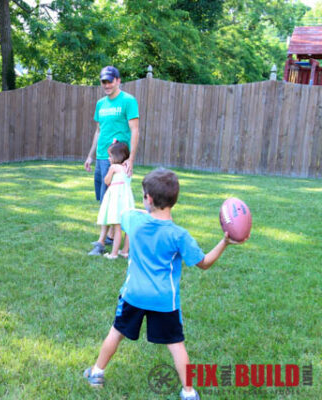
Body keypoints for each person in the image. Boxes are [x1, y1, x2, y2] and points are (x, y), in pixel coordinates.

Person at [83, 168, 248, 400]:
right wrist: (225, 242)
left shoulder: (134, 221)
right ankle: (189, 392)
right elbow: (204, 263)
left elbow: (129, 212)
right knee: (176, 345)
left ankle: (96, 372)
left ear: (148, 199)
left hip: (133, 295)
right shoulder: (179, 236)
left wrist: (147, 207)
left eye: (144, 195)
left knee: (116, 333)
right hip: (164, 300)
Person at [85, 66, 139, 256]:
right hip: (101, 156)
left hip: (116, 158)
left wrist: (131, 159)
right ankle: (109, 236)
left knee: (110, 199)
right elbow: (98, 131)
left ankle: (101, 243)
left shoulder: (128, 101)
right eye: (103, 81)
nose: (106, 85)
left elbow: (134, 130)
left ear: (118, 80)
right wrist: (90, 154)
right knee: (102, 197)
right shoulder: (101, 104)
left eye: (110, 81)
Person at [94, 141, 134, 259]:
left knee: (117, 227)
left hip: (116, 200)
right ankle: (125, 251)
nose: (108, 158)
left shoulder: (114, 167)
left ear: (118, 156)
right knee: (127, 227)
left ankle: (114, 253)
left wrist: (110, 172)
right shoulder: (128, 168)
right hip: (127, 199)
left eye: (110, 156)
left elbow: (106, 181)